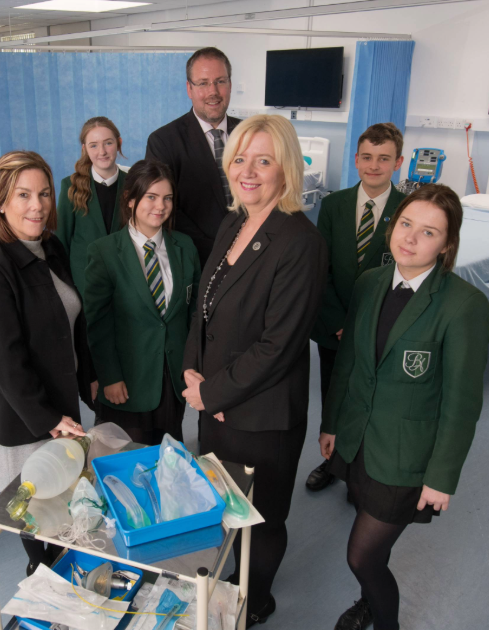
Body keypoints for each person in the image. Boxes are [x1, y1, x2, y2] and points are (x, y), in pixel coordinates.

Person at [319, 184, 489, 630]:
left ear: (447, 245)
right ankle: (368, 602)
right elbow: (348, 362)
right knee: (372, 544)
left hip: (406, 456)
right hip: (358, 441)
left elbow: (462, 403)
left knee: (361, 556)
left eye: (428, 232)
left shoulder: (462, 305)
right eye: (406, 224)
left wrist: (441, 477)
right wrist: (331, 423)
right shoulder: (370, 283)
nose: (410, 238)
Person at [180, 114, 327, 627]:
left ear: (286, 169)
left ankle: (256, 601)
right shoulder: (234, 223)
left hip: (262, 418)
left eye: (263, 161)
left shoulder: (301, 242)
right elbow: (204, 308)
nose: (248, 171)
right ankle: (232, 583)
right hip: (216, 405)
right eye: (240, 159)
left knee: (261, 519)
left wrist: (213, 393)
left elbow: (278, 346)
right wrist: (193, 372)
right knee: (225, 507)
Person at [0, 150, 98, 575]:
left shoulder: (49, 247)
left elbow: (70, 321)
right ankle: (42, 581)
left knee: (59, 508)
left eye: (43, 194)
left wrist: (88, 379)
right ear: (0, 202)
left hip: (60, 404)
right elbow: (4, 360)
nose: (37, 205)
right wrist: (49, 418)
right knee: (36, 521)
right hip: (23, 418)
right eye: (23, 195)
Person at [306, 123, 408, 492]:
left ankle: (360, 468)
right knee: (334, 393)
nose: (374, 165)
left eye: (383, 158)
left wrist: (366, 327)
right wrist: (339, 322)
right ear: (356, 160)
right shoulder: (334, 205)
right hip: (333, 325)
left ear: (398, 162)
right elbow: (321, 269)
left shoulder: (407, 210)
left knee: (371, 398)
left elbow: (404, 276)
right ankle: (332, 460)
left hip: (381, 328)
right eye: (367, 157)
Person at [82, 159, 201, 445]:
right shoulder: (104, 252)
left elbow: (194, 314)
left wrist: (192, 366)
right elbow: (98, 323)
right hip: (126, 382)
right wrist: (109, 376)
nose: (160, 206)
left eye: (167, 198)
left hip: (171, 381)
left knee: (169, 458)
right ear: (130, 199)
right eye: (151, 197)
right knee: (128, 461)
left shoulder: (185, 246)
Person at [145, 47, 241, 266]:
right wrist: (218, 251)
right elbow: (164, 208)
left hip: (253, 253)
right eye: (203, 83)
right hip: (197, 259)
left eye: (220, 81)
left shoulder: (250, 134)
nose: (213, 91)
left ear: (230, 85)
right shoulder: (163, 141)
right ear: (189, 88)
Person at [55, 116, 128, 295]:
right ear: (84, 149)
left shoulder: (132, 184)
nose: (102, 151)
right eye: (93, 145)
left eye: (108, 143)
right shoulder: (70, 186)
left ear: (119, 143)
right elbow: (61, 240)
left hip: (125, 281)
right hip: (83, 283)